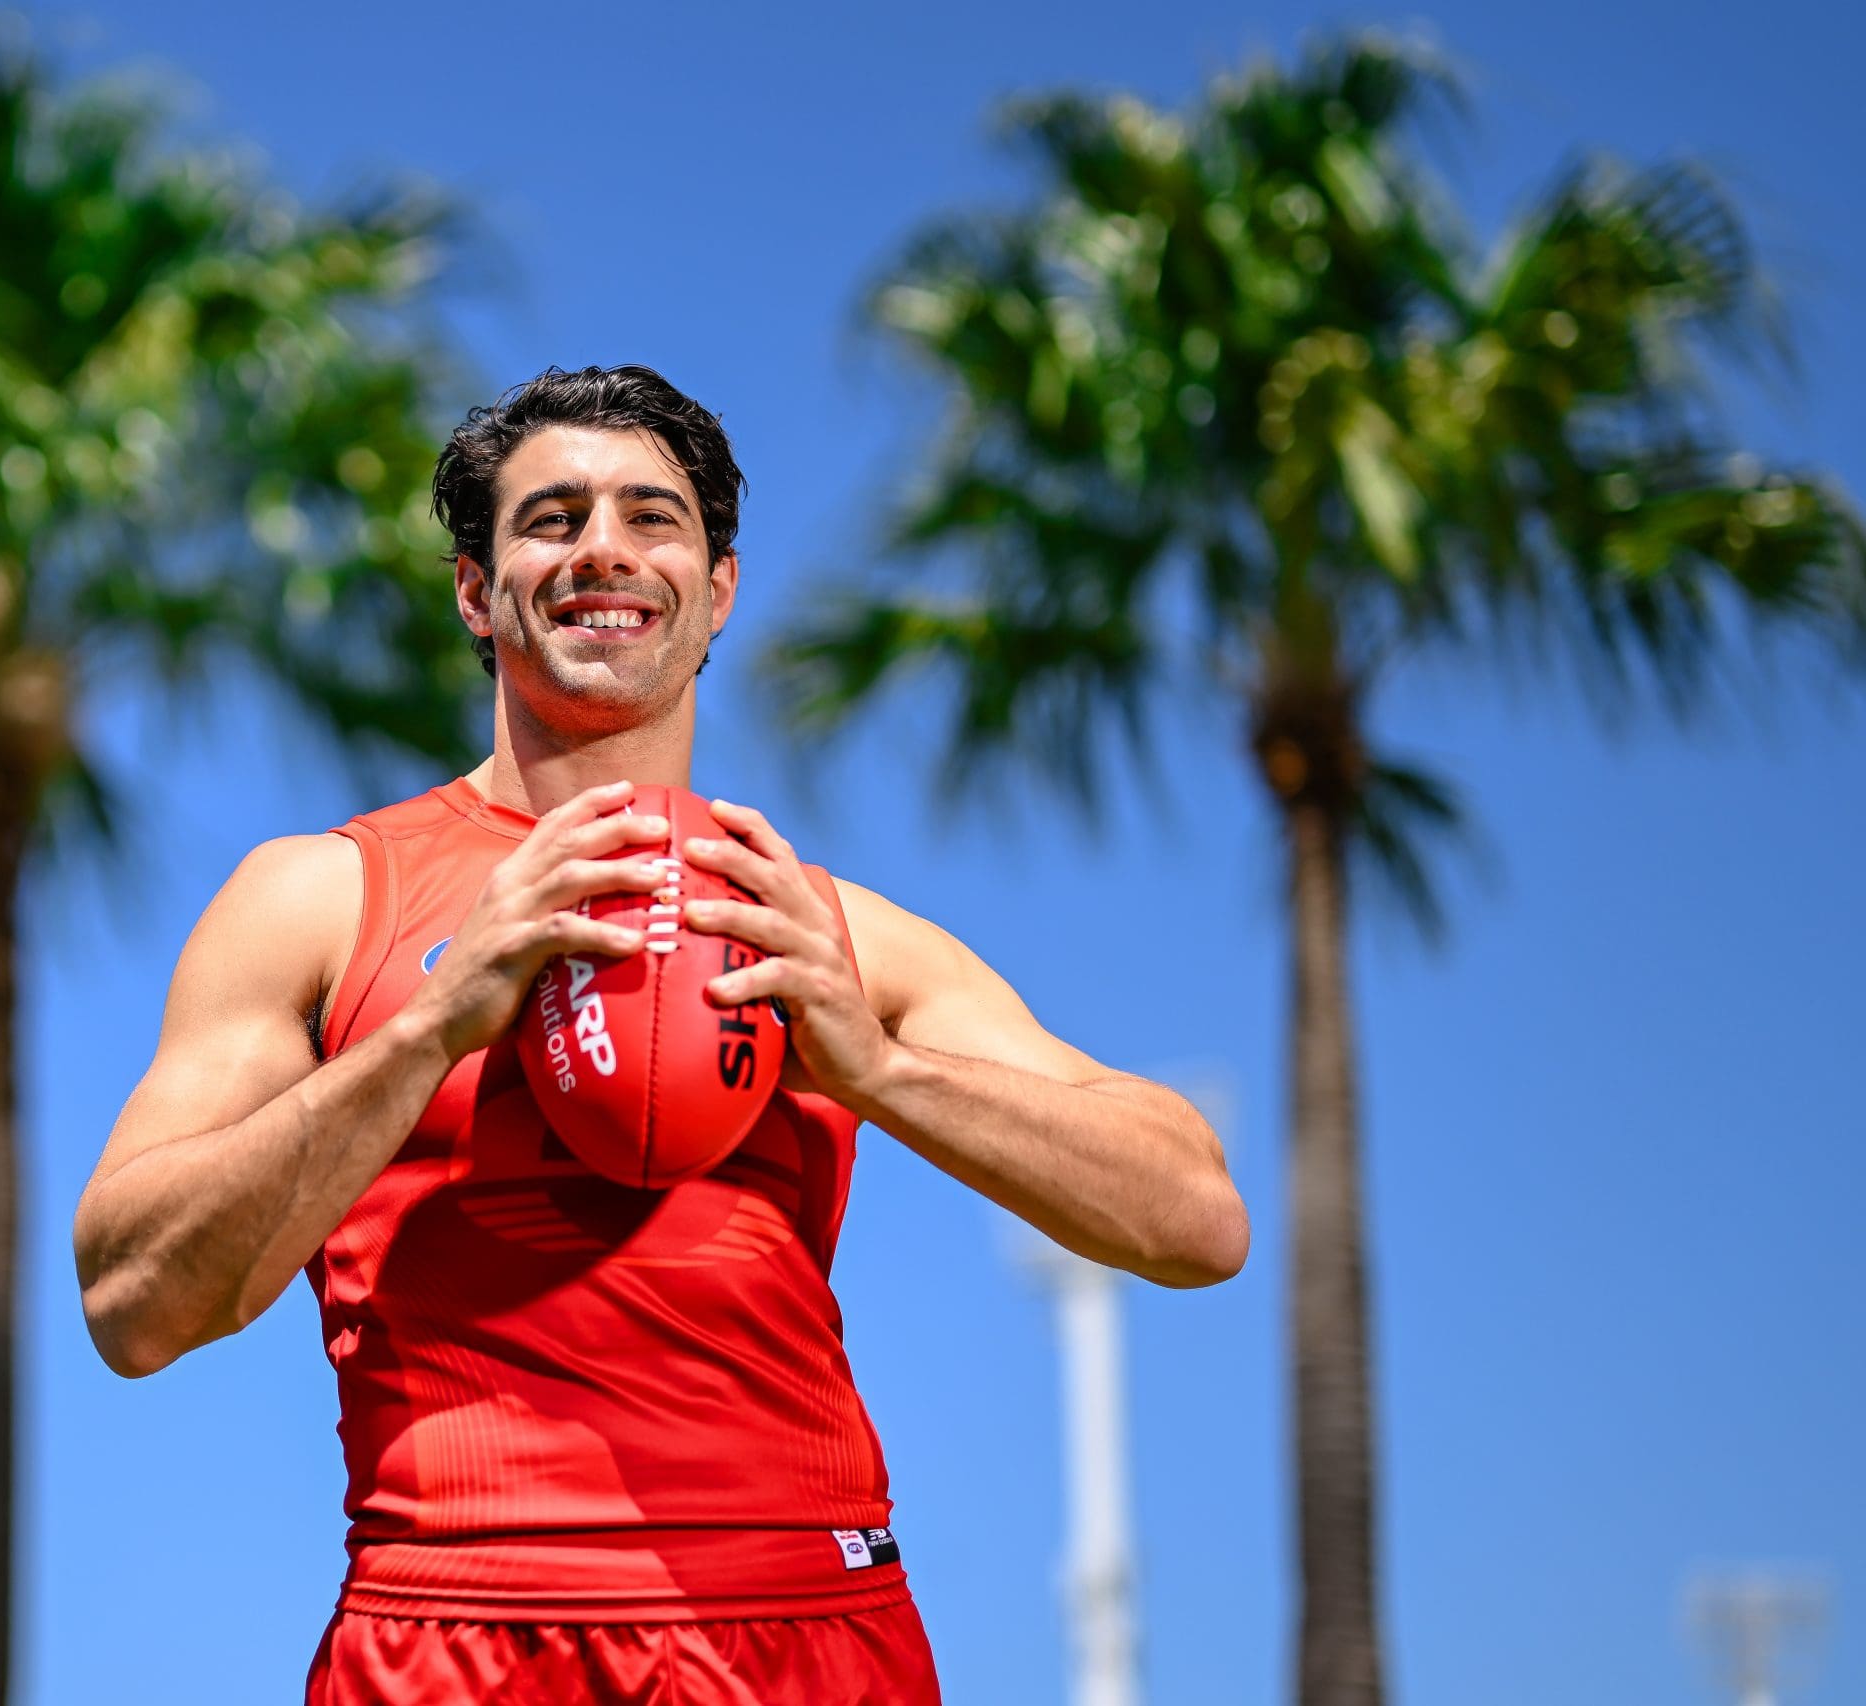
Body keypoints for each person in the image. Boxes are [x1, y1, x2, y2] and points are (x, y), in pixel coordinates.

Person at [72, 364, 1248, 1703]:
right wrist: (430, 1033)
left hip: (806, 1614)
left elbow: (1197, 1214)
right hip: (451, 1624)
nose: (603, 550)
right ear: (477, 590)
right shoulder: (323, 902)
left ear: (719, 590)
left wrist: (881, 1071)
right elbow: (131, 1300)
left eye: (652, 516)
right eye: (551, 518)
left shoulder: (821, 926)